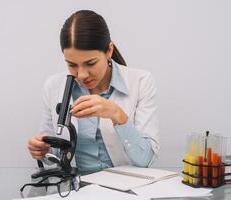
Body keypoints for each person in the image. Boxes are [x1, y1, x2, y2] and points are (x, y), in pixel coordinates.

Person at [27, 10, 160, 175]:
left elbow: (145, 159)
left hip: (124, 189)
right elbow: (53, 154)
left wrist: (117, 114)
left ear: (109, 50)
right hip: (74, 189)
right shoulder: (53, 86)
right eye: (72, 64)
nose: (81, 75)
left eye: (90, 63)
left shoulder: (141, 82)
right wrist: (43, 149)